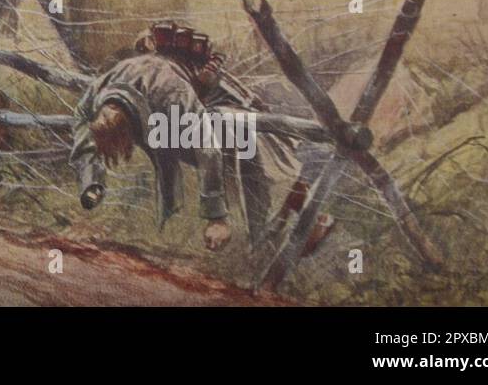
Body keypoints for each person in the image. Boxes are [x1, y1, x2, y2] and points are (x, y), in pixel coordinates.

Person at [71, 23, 332, 254]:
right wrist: (91, 182)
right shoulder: (102, 88)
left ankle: (312, 221)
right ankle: (279, 236)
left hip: (215, 103)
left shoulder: (169, 92)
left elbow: (208, 147)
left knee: (259, 163)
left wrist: (216, 219)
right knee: (244, 175)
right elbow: (82, 119)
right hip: (180, 117)